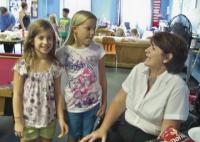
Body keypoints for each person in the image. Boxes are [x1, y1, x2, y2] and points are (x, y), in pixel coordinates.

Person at [81, 32, 189, 142]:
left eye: (153, 48)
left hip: (149, 137)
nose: (146, 50)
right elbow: (119, 102)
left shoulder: (178, 87)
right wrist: (102, 129)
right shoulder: (139, 69)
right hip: (122, 127)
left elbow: (167, 133)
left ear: (167, 57)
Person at [13, 19, 68, 142]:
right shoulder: (23, 64)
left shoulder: (55, 65)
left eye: (49, 38)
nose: (46, 42)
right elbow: (17, 94)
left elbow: (58, 94)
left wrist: (61, 118)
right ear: (32, 40)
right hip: (27, 120)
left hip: (48, 119)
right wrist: (18, 120)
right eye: (41, 38)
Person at [56, 10, 107, 142]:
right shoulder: (63, 52)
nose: (92, 32)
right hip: (72, 105)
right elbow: (57, 83)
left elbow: (102, 78)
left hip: (93, 103)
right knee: (73, 135)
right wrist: (60, 107)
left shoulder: (98, 49)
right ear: (75, 29)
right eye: (88, 28)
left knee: (88, 136)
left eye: (94, 28)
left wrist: (104, 102)